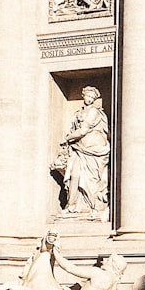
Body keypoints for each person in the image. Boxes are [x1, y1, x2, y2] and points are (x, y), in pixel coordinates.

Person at [56, 86, 110, 215]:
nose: (89, 99)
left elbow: (83, 130)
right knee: (74, 175)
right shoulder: (79, 113)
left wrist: (67, 138)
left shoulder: (94, 112)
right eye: (88, 96)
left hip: (93, 149)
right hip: (79, 148)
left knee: (91, 179)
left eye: (92, 97)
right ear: (83, 96)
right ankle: (72, 205)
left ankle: (92, 205)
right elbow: (75, 129)